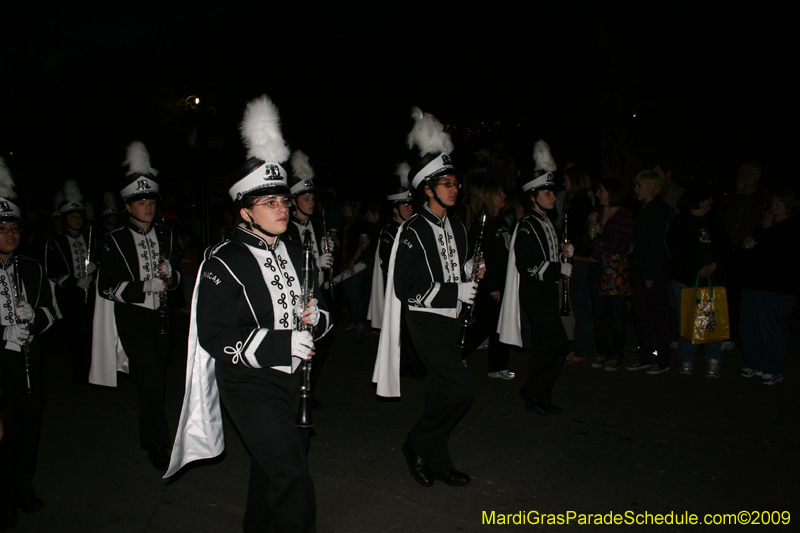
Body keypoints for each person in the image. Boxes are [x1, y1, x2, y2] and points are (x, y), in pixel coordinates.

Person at [166, 95, 330, 532]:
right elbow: (214, 334)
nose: (282, 208)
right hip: (250, 382)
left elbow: (322, 307)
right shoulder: (223, 259)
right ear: (244, 212)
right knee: (292, 474)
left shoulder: (297, 249)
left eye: (283, 200)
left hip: (294, 379)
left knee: (272, 467)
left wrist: (316, 318)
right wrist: (279, 341)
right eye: (270, 203)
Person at [374, 107, 480, 487]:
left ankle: (438, 460)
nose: (456, 188)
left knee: (440, 392)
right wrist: (455, 289)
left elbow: (458, 268)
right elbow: (407, 289)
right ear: (427, 188)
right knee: (460, 391)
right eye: (447, 183)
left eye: (456, 182)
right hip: (425, 321)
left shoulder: (458, 226)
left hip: (452, 320)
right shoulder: (412, 231)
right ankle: (416, 444)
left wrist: (471, 274)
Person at [90, 141, 182, 470]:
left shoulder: (169, 235)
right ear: (128, 207)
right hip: (133, 318)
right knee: (151, 379)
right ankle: (159, 443)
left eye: (151, 200)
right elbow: (106, 286)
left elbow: (179, 278)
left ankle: (148, 433)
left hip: (163, 317)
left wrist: (171, 279)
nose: (147, 206)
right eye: (140, 201)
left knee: (156, 378)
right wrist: (143, 288)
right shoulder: (114, 240)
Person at [0, 158, 58, 530]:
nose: (9, 235)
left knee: (28, 429)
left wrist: (35, 317)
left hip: (28, 361)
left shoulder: (33, 268)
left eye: (14, 228)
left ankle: (23, 488)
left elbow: (53, 312)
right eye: (1, 229)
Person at [498, 140, 572, 415]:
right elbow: (527, 265)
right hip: (535, 291)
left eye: (552, 191)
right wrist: (557, 269)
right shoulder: (528, 224)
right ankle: (535, 392)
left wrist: (564, 255)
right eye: (547, 192)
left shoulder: (546, 221)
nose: (553, 196)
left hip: (547, 291)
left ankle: (536, 395)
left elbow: (548, 254)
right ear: (533, 195)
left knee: (543, 345)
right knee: (558, 344)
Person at [285, 150, 334, 409]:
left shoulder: (314, 224)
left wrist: (326, 252)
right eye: (305, 198)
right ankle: (300, 392)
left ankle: (308, 389)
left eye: (312, 197)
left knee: (322, 345)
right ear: (293, 201)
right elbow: (292, 264)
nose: (311, 201)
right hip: (301, 296)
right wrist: (316, 264)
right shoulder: (288, 227)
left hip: (321, 290)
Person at [666, 187, 730, 377]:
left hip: (711, 279)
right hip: (687, 279)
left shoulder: (714, 221)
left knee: (710, 319)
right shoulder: (682, 221)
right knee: (687, 318)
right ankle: (687, 358)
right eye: (707, 198)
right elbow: (677, 250)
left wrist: (715, 265)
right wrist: (695, 268)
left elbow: (724, 246)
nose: (711, 201)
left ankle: (713, 359)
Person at [738, 190, 799, 385]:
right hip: (754, 284)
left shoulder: (791, 228)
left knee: (772, 329)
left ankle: (773, 369)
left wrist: (764, 233)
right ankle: (753, 364)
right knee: (750, 327)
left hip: (776, 287)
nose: (773, 208)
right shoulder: (766, 226)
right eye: (773, 204)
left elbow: (774, 252)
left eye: (778, 205)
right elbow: (752, 248)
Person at [44, 180, 98, 385]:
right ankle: (79, 375)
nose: (76, 219)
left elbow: (104, 262)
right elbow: (53, 272)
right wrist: (75, 282)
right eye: (72, 216)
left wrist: (96, 267)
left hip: (91, 296)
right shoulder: (55, 242)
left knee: (92, 336)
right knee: (76, 337)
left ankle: (93, 372)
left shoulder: (92, 239)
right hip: (70, 297)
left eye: (79, 215)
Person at [460, 181, 514, 379]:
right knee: (486, 325)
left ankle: (497, 366)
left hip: (503, 281)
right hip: (489, 284)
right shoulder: (483, 224)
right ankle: (458, 352)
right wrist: (491, 285)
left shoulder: (501, 222)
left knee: (500, 325)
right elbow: (480, 255)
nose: (504, 197)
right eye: (500, 193)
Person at [585, 178, 634, 371]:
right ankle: (602, 351)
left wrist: (603, 231)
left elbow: (624, 245)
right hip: (597, 266)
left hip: (615, 268)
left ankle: (616, 353)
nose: (598, 194)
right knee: (599, 314)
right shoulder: (596, 213)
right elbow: (587, 243)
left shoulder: (625, 215)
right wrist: (591, 228)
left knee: (616, 314)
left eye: (602, 191)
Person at [627, 170, 672, 374]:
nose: (636, 189)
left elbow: (653, 244)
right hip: (640, 267)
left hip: (653, 269)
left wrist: (648, 274)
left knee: (657, 314)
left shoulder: (657, 210)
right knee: (640, 313)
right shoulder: (643, 208)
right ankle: (645, 355)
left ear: (652, 187)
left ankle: (662, 359)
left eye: (640, 185)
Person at [561, 165, 597, 365]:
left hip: (580, 260)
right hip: (580, 258)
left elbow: (576, 232)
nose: (564, 184)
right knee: (582, 306)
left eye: (566, 179)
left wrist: (568, 248)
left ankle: (583, 349)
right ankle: (584, 347)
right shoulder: (580, 200)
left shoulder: (579, 201)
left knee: (581, 307)